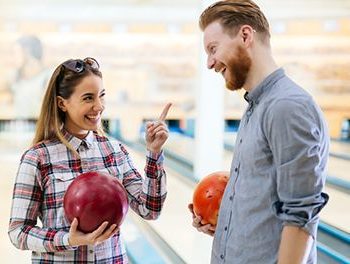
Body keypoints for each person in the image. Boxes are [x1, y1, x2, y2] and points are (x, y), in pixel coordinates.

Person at [189, 1, 329, 263]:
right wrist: (229, 229)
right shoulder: (257, 105)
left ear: (245, 35)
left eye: (213, 49)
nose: (209, 63)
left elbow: (301, 215)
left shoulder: (286, 106)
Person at [8, 57, 172, 263]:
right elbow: (18, 232)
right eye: (88, 98)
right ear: (62, 103)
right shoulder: (37, 158)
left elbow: (150, 210)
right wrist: (68, 239)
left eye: (101, 96)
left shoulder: (115, 151)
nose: (99, 106)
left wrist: (154, 153)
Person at [9, 35, 50, 119]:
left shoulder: (47, 77)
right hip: (19, 128)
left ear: (27, 51)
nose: (12, 58)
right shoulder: (16, 77)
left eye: (15, 53)